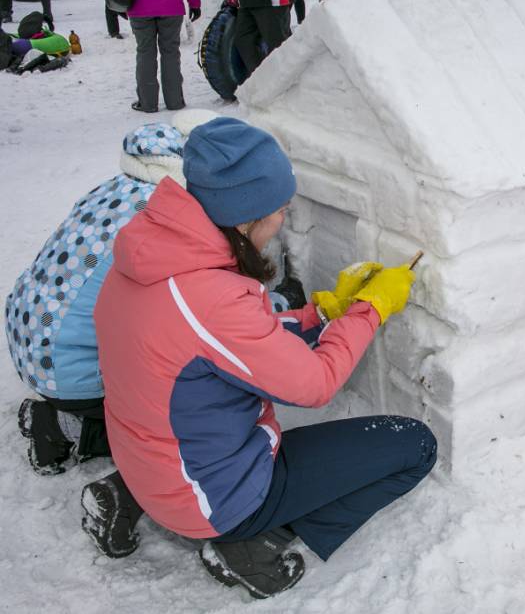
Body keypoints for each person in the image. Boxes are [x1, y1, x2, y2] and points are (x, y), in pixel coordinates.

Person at [89, 117, 437, 599]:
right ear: (246, 216)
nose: (283, 221)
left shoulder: (153, 259)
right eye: (279, 211)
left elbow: (232, 339)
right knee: (415, 446)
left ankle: (135, 497)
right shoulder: (210, 298)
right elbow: (314, 385)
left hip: (148, 462)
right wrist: (369, 310)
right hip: (209, 497)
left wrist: (321, 312)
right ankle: (252, 544)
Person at [6, 111, 217, 479]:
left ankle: (61, 410)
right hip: (64, 370)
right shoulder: (163, 217)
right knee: (175, 419)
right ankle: (69, 428)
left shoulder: (124, 184)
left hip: (27, 336)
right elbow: (195, 309)